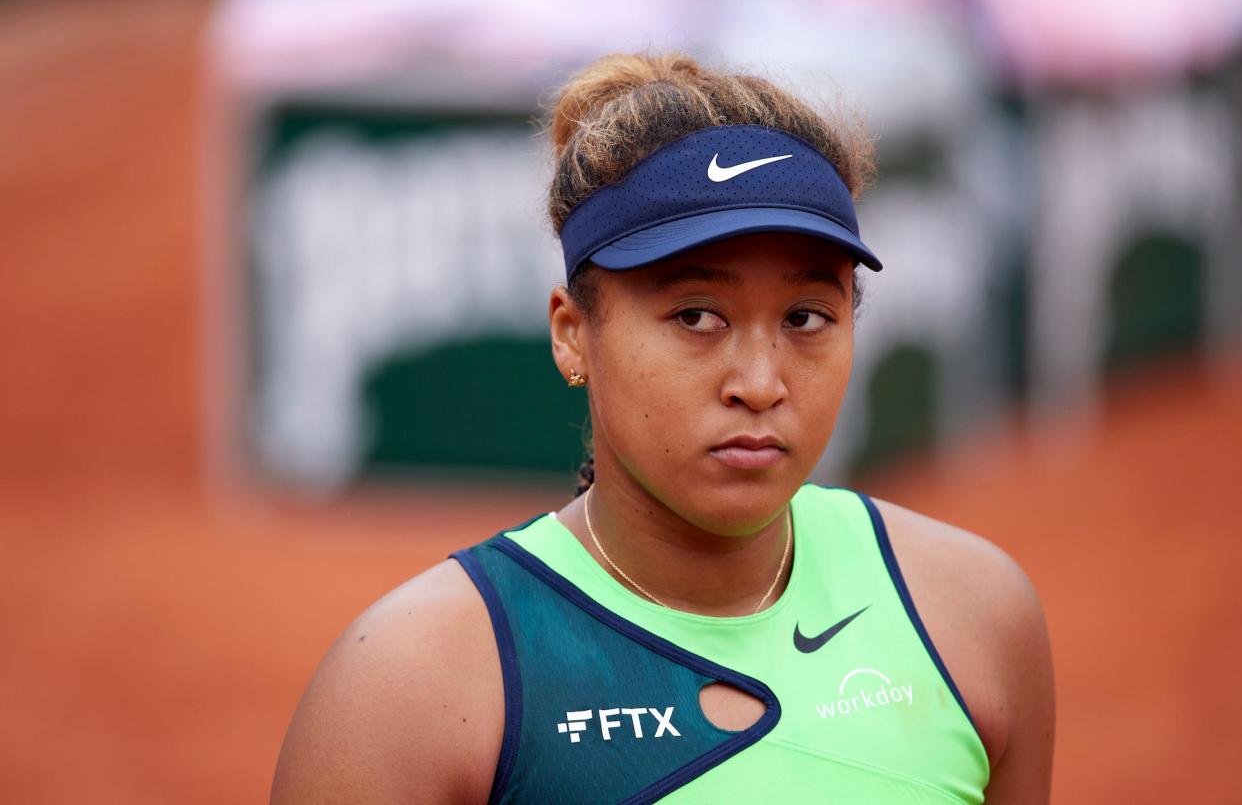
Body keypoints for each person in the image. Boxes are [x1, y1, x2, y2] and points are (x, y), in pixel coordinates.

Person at [271, 51, 1054, 804]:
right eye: (696, 316)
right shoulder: (413, 687)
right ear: (573, 331)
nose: (759, 383)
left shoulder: (976, 618)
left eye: (807, 316)